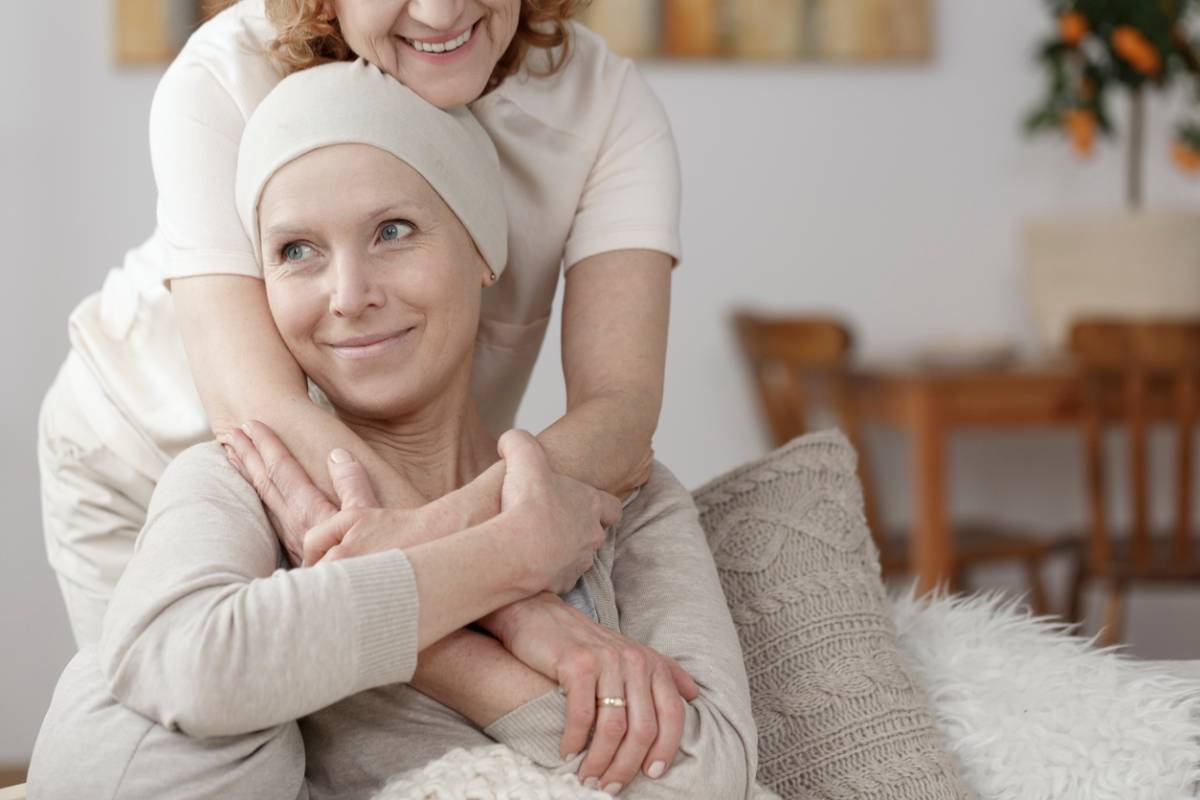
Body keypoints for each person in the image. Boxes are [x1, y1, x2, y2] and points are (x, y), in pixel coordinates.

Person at [29, 60, 759, 800]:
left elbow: (707, 777)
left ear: (483, 252)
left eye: (393, 231)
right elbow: (180, 664)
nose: (347, 296)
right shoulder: (246, 480)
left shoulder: (621, 498)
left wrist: (405, 621)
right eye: (296, 251)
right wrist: (501, 584)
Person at [39, 0, 679, 653]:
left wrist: (455, 533)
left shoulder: (605, 107)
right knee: (193, 731)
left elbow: (621, 407)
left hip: (383, 499)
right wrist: (506, 579)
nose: (440, 12)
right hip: (155, 453)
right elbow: (260, 411)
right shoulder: (224, 76)